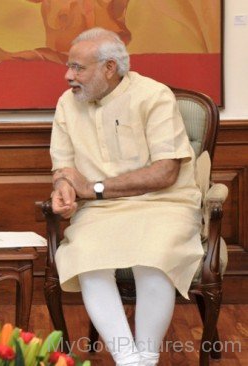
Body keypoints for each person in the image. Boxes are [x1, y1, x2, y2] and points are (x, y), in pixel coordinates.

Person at [49, 27, 203, 365]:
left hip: (165, 203)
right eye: (69, 66)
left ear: (108, 68)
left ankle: (144, 358)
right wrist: (63, 187)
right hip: (99, 211)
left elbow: (166, 172)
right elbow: (62, 167)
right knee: (87, 255)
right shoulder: (66, 103)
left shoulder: (154, 96)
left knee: (154, 255)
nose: (68, 75)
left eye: (78, 68)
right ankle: (129, 360)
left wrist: (93, 188)